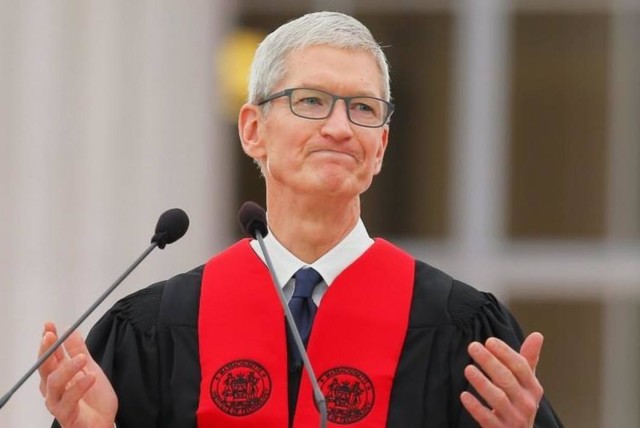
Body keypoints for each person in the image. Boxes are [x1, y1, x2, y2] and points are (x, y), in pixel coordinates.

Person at [38, 11, 563, 428]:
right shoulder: (156, 329)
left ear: (380, 146)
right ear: (253, 130)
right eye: (311, 101)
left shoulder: (461, 330)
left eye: (363, 108)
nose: (339, 127)